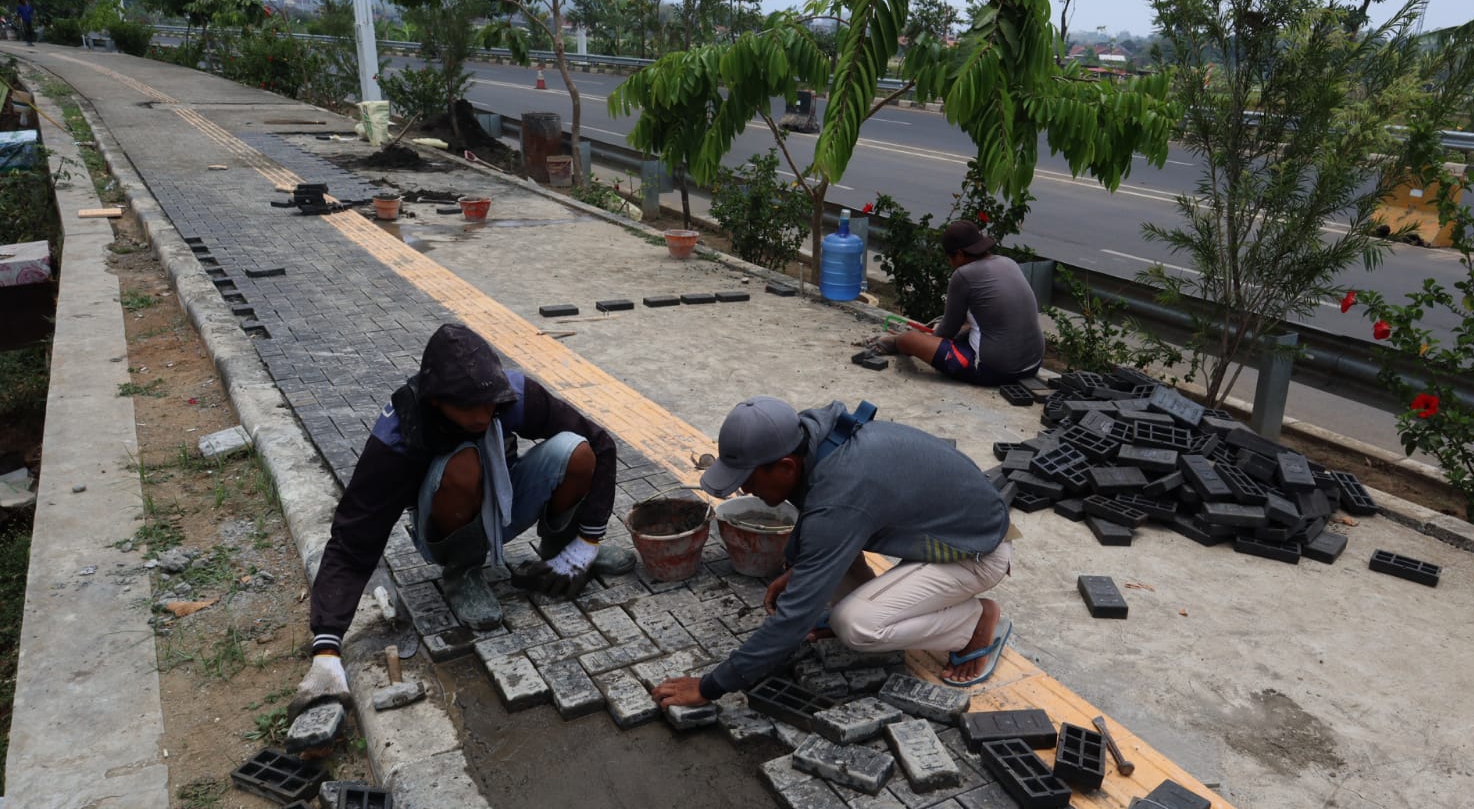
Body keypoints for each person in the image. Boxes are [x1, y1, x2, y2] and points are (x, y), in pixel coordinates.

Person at [292, 323, 634, 713]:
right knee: (463, 463)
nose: (483, 416)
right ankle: (464, 572)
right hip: (447, 524)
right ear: (437, 400)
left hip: (504, 502)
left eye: (489, 405)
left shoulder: (511, 395)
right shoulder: (400, 430)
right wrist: (327, 647)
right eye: (468, 406)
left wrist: (587, 543)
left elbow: (603, 443)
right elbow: (354, 539)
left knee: (580, 450)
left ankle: (563, 548)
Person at [650, 396, 1015, 710]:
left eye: (748, 478)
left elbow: (794, 618)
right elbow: (824, 524)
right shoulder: (814, 439)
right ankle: (890, 604)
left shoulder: (841, 495)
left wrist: (710, 686)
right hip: (939, 524)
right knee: (820, 574)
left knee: (853, 625)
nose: (744, 489)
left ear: (786, 466)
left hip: (977, 551)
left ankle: (973, 625)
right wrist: (800, 570)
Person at [877, 220, 1045, 386]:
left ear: (959, 254)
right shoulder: (1008, 262)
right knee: (964, 332)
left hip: (995, 370)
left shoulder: (964, 275)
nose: (951, 264)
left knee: (909, 339)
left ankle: (890, 342)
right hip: (1032, 365)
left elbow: (947, 331)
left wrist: (927, 340)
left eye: (950, 258)